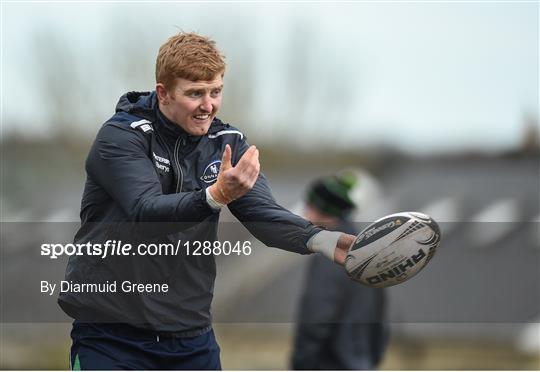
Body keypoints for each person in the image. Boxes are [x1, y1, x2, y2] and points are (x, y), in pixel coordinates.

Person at [58, 32, 357, 370]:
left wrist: (324, 240)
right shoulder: (121, 137)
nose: (208, 105)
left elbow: (262, 214)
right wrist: (215, 196)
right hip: (111, 338)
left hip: (190, 340)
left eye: (215, 92)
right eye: (195, 94)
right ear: (163, 93)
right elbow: (146, 212)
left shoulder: (227, 143)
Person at [291, 172, 388, 370]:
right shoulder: (367, 252)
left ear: (321, 210)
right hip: (363, 364)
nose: (304, 214)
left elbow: (316, 317)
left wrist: (300, 362)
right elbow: (381, 318)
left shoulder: (332, 255)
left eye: (308, 207)